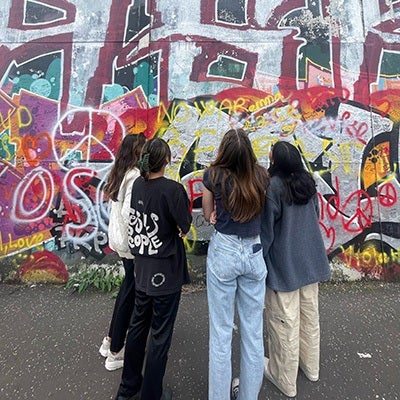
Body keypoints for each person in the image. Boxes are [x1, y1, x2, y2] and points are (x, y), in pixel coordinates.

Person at [115, 137, 192, 400]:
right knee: (159, 336)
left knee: (138, 328)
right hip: (166, 271)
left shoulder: (138, 184)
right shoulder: (173, 190)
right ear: (167, 160)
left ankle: (127, 390)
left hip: (142, 269)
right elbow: (184, 224)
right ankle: (151, 395)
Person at [202, 128, 270, 400]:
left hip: (225, 250)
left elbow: (208, 215)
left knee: (220, 332)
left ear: (225, 152)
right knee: (253, 334)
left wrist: (214, 215)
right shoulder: (262, 176)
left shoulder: (213, 176)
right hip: (254, 251)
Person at [260, 140, 331, 398]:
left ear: (276, 161)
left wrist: (260, 263)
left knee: (284, 323)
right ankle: (311, 367)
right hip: (311, 261)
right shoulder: (309, 182)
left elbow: (266, 232)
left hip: (284, 265)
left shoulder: (273, 187)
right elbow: (316, 214)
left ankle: (285, 379)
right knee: (310, 317)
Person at [99, 133, 146, 371]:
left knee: (127, 289)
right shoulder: (135, 175)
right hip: (130, 244)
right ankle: (116, 352)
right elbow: (130, 213)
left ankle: (110, 341)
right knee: (130, 293)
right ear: (137, 153)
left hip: (119, 240)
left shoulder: (120, 172)